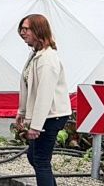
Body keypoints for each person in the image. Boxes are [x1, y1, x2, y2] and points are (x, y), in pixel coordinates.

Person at [16, 14, 71, 186]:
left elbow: (44, 95)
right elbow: (29, 87)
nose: (22, 33)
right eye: (21, 29)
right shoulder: (36, 54)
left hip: (51, 116)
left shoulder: (47, 60)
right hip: (46, 116)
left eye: (26, 29)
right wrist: (22, 112)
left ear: (38, 31)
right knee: (34, 156)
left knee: (40, 161)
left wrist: (36, 127)